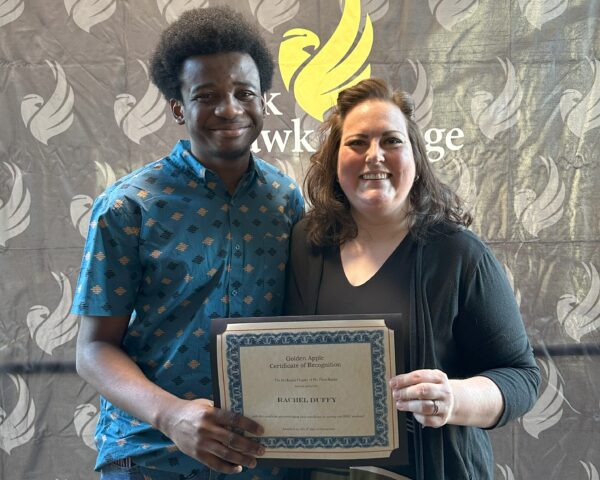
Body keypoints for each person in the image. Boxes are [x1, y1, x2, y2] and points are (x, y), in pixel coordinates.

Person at [73, 7, 304, 480]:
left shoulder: (285, 200)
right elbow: (93, 350)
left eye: (244, 93)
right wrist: (171, 416)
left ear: (264, 100)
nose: (230, 109)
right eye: (207, 95)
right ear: (178, 106)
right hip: (150, 458)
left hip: (263, 460)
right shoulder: (127, 207)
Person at [284, 78, 540, 480]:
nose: (374, 156)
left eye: (391, 141)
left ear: (415, 156)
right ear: (335, 159)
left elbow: (521, 376)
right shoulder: (306, 244)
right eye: (357, 143)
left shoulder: (459, 254)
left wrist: (452, 398)